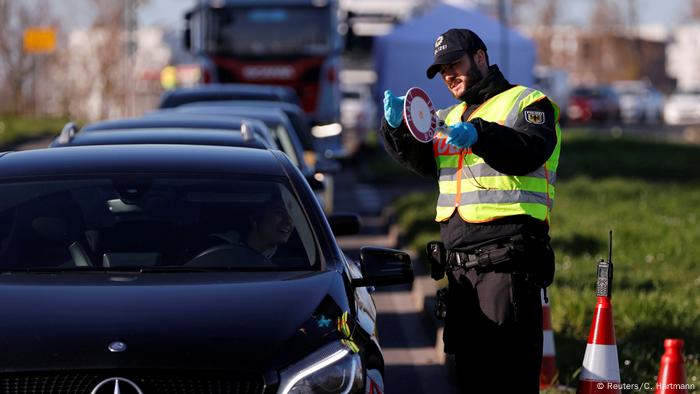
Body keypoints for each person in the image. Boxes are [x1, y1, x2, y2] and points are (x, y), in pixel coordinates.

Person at [379, 28, 560, 393]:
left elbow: (527, 149)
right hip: (461, 275)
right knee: (470, 380)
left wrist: (481, 134)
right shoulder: (447, 116)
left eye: (455, 64)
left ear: (480, 57)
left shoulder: (528, 103)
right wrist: (397, 128)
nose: (449, 75)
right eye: (442, 70)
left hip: (506, 268)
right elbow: (422, 160)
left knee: (505, 379)